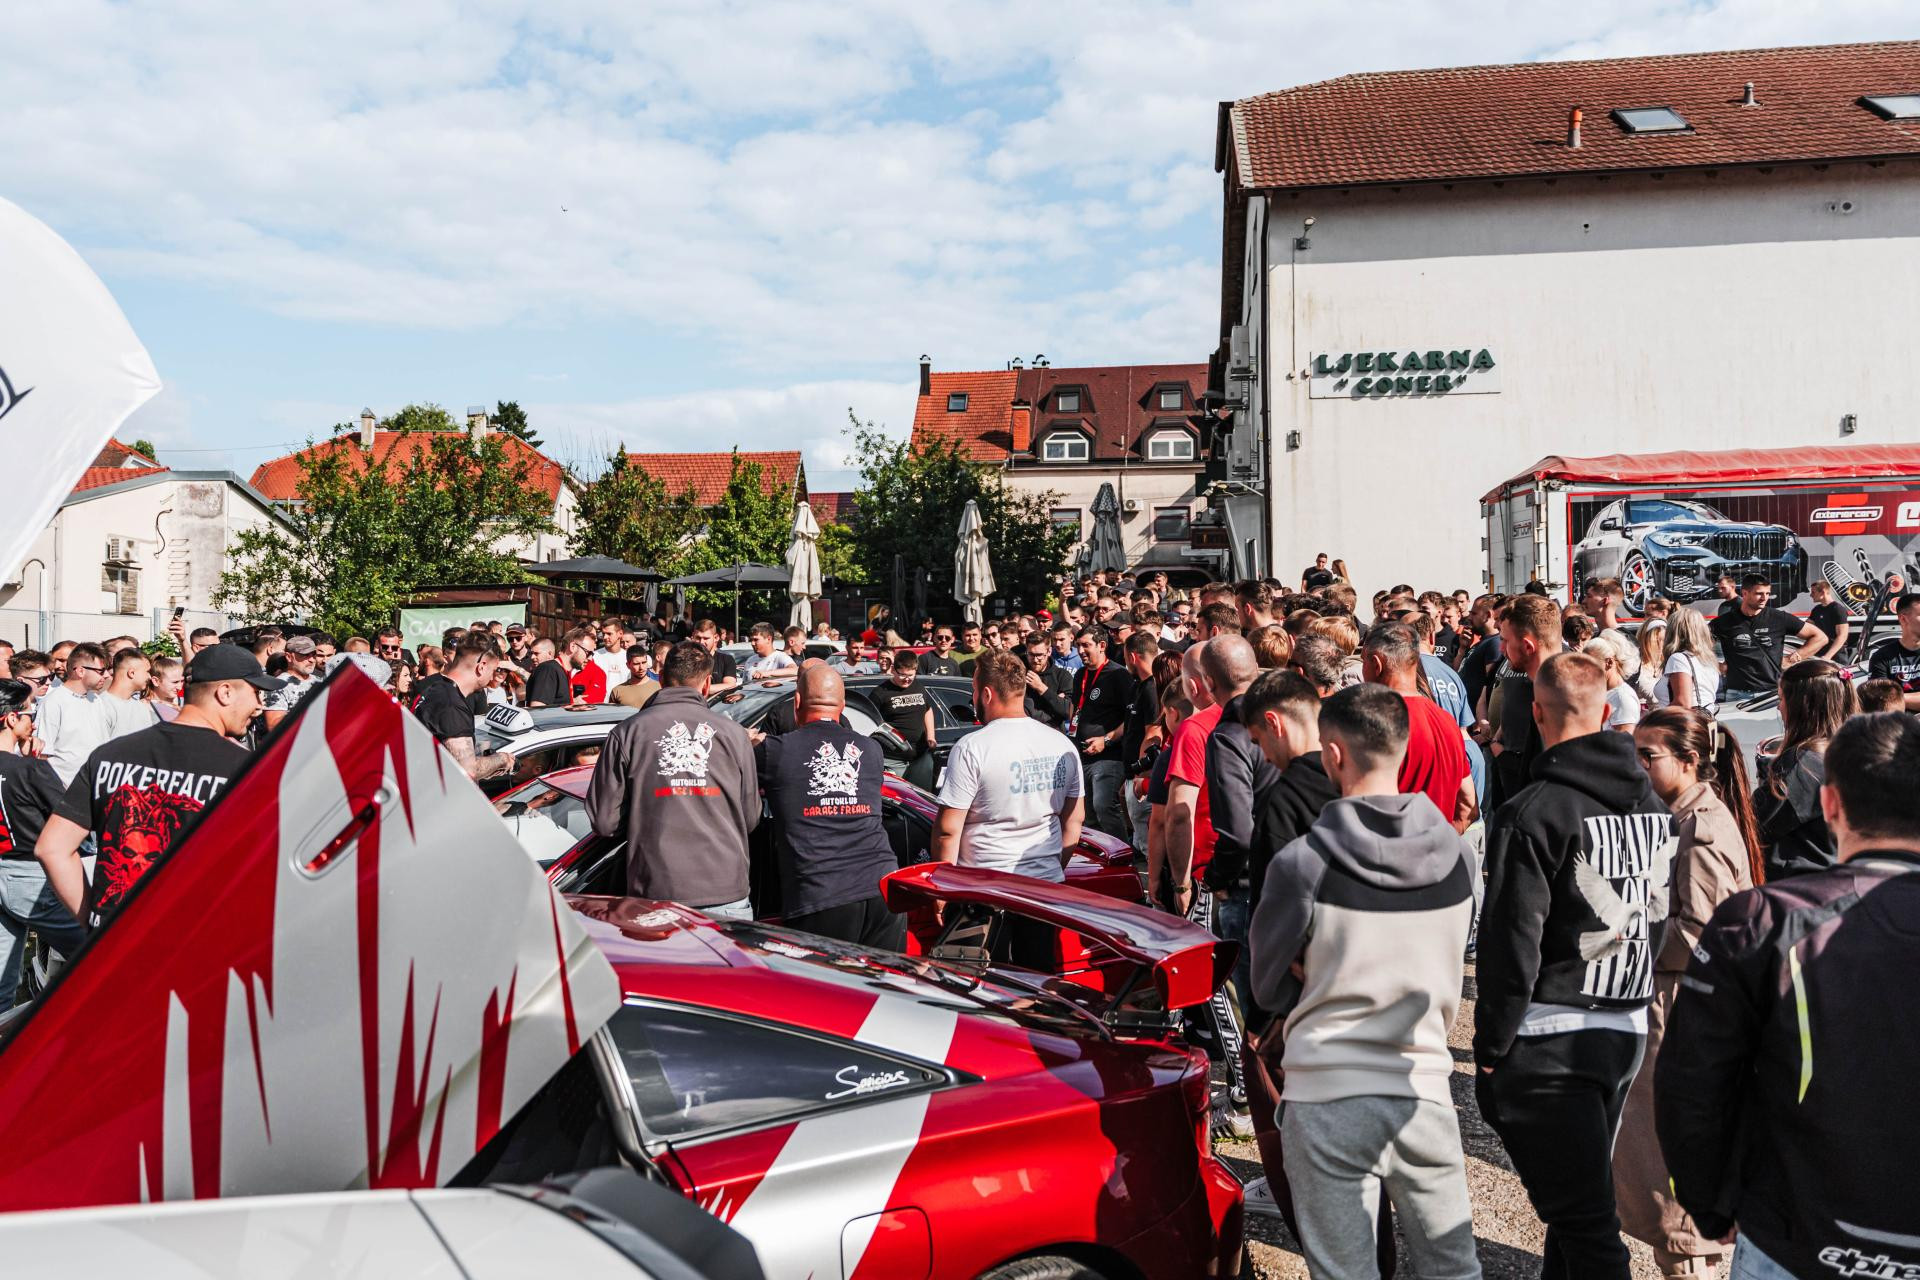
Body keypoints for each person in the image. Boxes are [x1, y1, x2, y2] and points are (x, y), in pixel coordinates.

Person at [1657, 711, 1920, 1280]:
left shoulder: (1761, 920)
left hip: (1793, 1239)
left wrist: (1710, 1202)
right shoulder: (1762, 920)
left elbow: (1691, 1083)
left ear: (1829, 804)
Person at [1251, 684, 1483, 1280]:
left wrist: (1319, 970)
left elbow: (1267, 986)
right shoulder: (1459, 859)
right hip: (1422, 1082)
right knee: (1453, 1267)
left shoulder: (1302, 863)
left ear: (1333, 755)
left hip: (1326, 1088)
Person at [1474, 651, 1676, 1280]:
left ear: (1536, 714)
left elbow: (1512, 940)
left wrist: (1492, 1045)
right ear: (1606, 711)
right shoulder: (1654, 806)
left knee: (1586, 1227)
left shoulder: (1533, 812)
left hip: (1552, 1038)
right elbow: (1658, 915)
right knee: (1578, 1209)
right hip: (1624, 1026)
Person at [1611, 707, 1760, 1279]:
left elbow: (1699, 932)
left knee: (1675, 1193)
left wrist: (1626, 941)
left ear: (1691, 760)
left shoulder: (1701, 827)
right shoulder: (1680, 816)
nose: (1637, 766)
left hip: (1679, 1013)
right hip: (1674, 1006)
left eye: (1648, 756)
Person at [36, 645, 274, 928]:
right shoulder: (245, 768)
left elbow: (52, 849)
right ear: (225, 692)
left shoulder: (109, 755)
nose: (260, 705)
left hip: (116, 937)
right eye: (256, 692)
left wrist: (93, 924)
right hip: (192, 936)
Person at [586, 642, 759, 919]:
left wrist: (644, 817)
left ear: (662, 679)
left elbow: (605, 821)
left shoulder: (627, 733)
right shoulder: (734, 735)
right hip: (725, 888)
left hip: (655, 888)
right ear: (706, 685)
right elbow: (750, 817)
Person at [932, 651, 1083, 967]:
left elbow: (948, 829)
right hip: (1043, 890)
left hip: (982, 892)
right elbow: (1074, 820)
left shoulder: (972, 747)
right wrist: (1050, 866)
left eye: (974, 690)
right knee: (1037, 979)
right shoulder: (1061, 744)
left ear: (986, 694)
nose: (974, 698)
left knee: (981, 984)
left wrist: (942, 888)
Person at [757, 665, 905, 949]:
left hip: (822, 894)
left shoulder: (775, 751)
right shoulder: (871, 750)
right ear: (843, 705)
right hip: (884, 889)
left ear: (797, 702)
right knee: (885, 978)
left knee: (824, 979)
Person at [0, 679, 84, 1001]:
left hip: (8, 868)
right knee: (98, 951)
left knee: (3, 984)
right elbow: (71, 816)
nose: (34, 722)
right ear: (12, 718)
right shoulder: (32, 770)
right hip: (30, 877)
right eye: (30, 714)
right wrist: (33, 763)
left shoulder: (26, 767)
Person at [1361, 623, 1475, 831]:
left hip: (1386, 846)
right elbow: (1468, 806)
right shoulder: (1447, 721)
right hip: (1436, 845)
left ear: (1376, 664)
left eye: (1363, 662)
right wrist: (1438, 839)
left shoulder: (1373, 721)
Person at [1752, 658, 1853, 880]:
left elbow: (1755, 825)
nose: (1778, 707)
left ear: (1802, 705)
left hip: (1800, 886)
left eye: (1781, 699)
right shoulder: (1854, 752)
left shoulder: (1801, 766)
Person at [407, 638, 516, 782]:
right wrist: (503, 759)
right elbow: (468, 770)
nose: (492, 677)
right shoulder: (451, 705)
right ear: (481, 667)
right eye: (493, 670)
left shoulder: (437, 688)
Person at [1709, 573, 1827, 703]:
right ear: (1745, 593)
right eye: (1759, 593)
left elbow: (1820, 637)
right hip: (1736, 694)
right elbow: (1697, 645)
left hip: (1771, 694)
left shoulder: (1779, 618)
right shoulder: (1723, 622)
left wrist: (1792, 658)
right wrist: (1716, 665)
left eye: (1767, 593)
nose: (1764, 598)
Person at [1068, 625, 1133, 839]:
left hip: (1109, 756)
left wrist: (1107, 739)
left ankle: (1123, 853)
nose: (1081, 651)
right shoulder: (1080, 674)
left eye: (1086, 645)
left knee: (1104, 806)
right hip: (1082, 754)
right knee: (1087, 814)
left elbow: (1131, 716)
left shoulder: (1118, 674)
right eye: (1078, 646)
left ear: (1102, 645)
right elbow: (1075, 708)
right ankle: (1100, 856)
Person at [37, 642, 111, 787]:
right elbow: (43, 753)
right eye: (101, 671)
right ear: (81, 671)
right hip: (63, 790)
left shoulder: (96, 700)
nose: (107, 675)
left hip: (94, 786)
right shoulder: (53, 702)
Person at [1117, 632, 1161, 853]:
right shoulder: (1138, 685)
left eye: (1125, 657)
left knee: (1147, 846)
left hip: (1141, 777)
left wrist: (1140, 775)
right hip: (1132, 775)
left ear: (1133, 657)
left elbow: (1153, 734)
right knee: (1139, 841)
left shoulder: (1152, 688)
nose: (1125, 662)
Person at [869, 650, 937, 788]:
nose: (907, 679)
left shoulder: (918, 687)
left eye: (911, 675)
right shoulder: (880, 693)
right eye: (902, 675)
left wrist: (931, 736)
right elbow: (869, 721)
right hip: (892, 760)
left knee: (922, 796)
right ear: (893, 670)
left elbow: (928, 709)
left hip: (920, 757)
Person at [1651, 606, 1718, 710]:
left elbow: (1682, 704)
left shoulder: (1678, 659)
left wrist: (1654, 716)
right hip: (1703, 718)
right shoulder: (1708, 660)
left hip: (1680, 719)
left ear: (1673, 632)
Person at [1866, 590, 1920, 709]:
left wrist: (1897, 698)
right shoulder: (1882, 657)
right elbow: (1882, 702)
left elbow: (1890, 700)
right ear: (1903, 619)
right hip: (1897, 720)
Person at [1583, 635, 1642, 732]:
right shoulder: (1601, 692)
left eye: (1590, 664)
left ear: (1609, 662)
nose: (1585, 670)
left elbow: (1624, 739)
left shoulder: (1623, 697)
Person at [263, 634, 322, 729]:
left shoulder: (321, 681)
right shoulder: (277, 686)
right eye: (305, 655)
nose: (312, 660)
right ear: (289, 657)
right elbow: (273, 725)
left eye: (314, 655)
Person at [98, 647, 154, 739]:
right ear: (131, 673)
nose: (150, 677)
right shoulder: (102, 706)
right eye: (147, 672)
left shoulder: (141, 707)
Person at [1021, 634, 1073, 730]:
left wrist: (1042, 688)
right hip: (1025, 731)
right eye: (1031, 654)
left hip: (1054, 732)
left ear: (1049, 651)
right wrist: (1056, 700)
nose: (1035, 660)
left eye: (1039, 655)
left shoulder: (1062, 676)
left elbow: (1068, 711)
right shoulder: (1019, 674)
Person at [1805, 577, 1851, 660]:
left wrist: (1827, 656)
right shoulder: (1816, 610)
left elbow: (1842, 636)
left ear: (1823, 592)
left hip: (1835, 656)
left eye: (1813, 592)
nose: (1811, 595)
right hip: (1820, 653)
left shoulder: (1838, 609)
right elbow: (1807, 627)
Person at [693, 620, 740, 693]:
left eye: (706, 638)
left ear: (716, 638)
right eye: (698, 638)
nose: (701, 642)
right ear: (693, 636)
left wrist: (700, 690)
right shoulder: (685, 659)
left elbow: (730, 685)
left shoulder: (726, 659)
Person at [523, 636, 570, 707]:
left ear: (549, 654)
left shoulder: (547, 669)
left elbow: (538, 708)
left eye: (536, 653)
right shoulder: (555, 669)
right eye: (531, 653)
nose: (532, 657)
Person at [610, 645, 659, 709]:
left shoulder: (658, 688)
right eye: (636, 664)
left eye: (644, 662)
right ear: (628, 665)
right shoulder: (617, 691)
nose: (641, 667)